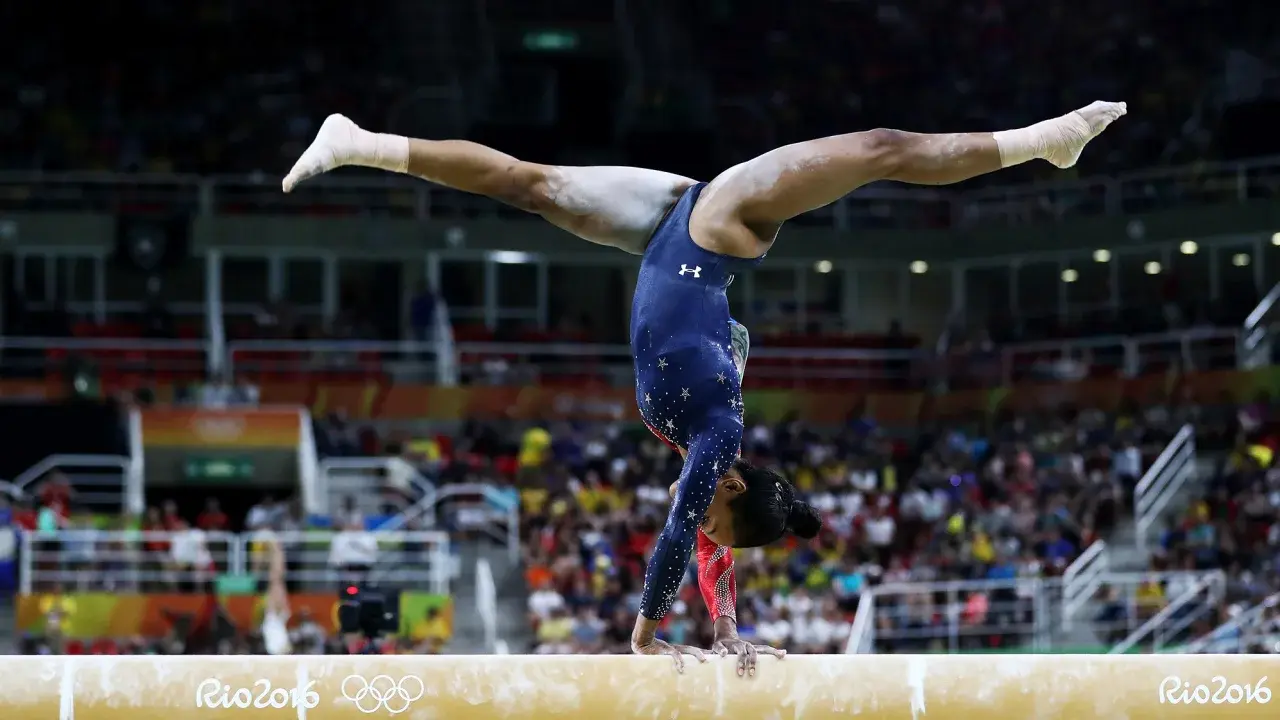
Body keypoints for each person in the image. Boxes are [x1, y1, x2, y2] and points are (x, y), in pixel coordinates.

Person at [283, 98, 1128, 670]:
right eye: (719, 514)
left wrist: (726, 626)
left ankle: (359, 141)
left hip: (664, 228)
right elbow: (684, 534)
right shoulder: (717, 436)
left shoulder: (707, 448)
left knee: (527, 184)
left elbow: (711, 541)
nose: (706, 532)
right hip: (722, 223)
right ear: (731, 482)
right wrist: (646, 637)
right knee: (880, 153)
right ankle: (1043, 140)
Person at [260, 537, 293, 655]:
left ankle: (277, 550)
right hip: (277, 623)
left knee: (276, 580)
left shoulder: (274, 613)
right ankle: (277, 550)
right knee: (276, 580)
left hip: (276, 622)